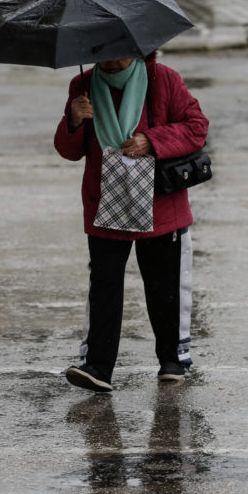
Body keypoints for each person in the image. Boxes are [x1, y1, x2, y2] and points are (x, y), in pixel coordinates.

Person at [54, 52, 209, 393]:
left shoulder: (163, 79)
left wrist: (152, 141)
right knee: (105, 287)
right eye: (103, 58)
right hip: (106, 204)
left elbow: (197, 127)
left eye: (118, 58)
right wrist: (74, 121)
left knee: (164, 286)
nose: (110, 64)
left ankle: (171, 361)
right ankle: (97, 367)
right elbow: (69, 150)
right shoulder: (82, 85)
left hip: (159, 205)